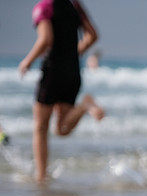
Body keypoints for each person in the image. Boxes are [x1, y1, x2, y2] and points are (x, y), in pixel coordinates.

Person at [18, 0, 105, 184]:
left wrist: (27, 61)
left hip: (53, 72)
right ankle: (85, 105)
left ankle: (41, 177)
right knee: (61, 128)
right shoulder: (73, 4)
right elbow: (93, 36)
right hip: (72, 72)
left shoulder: (44, 7)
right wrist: (72, 55)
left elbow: (45, 39)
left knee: (41, 127)